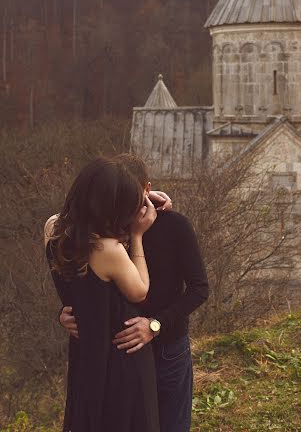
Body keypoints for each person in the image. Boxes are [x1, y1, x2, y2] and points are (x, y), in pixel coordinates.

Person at [58, 153, 209, 432]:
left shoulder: (174, 225)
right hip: (118, 358)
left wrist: (155, 325)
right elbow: (83, 281)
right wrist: (66, 313)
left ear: (147, 190)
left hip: (166, 349)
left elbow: (199, 289)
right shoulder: (102, 230)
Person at [44, 155, 160, 432]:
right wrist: (137, 237)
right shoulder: (108, 250)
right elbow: (140, 291)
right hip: (121, 358)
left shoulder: (53, 229)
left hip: (85, 353)